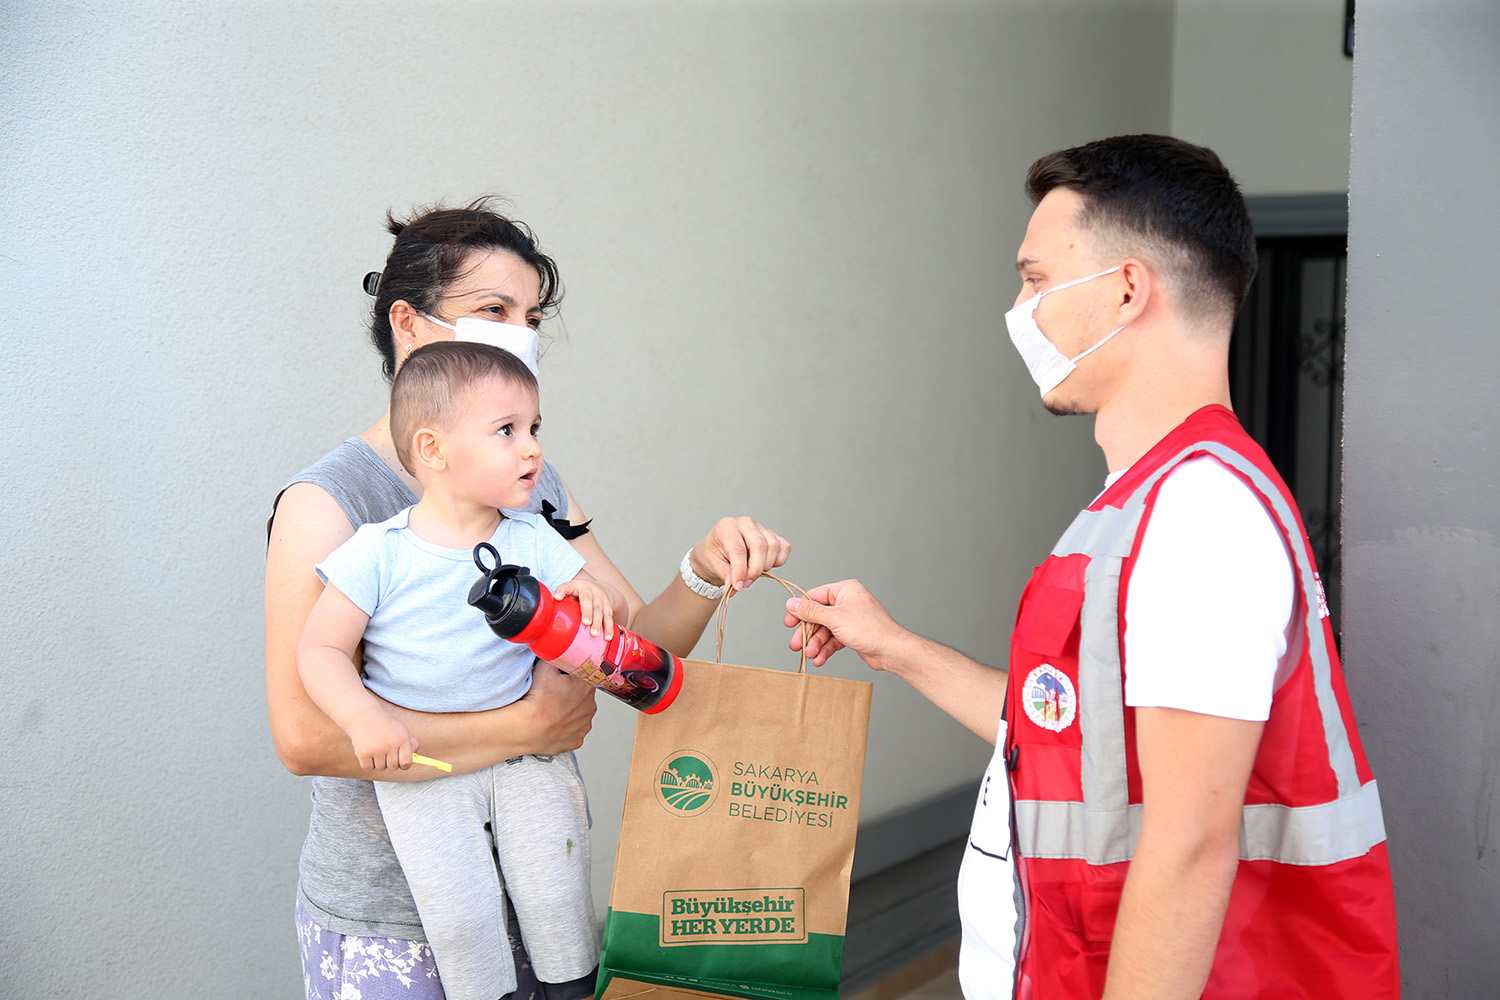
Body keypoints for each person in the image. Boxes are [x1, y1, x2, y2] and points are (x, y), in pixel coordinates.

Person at [783, 135, 1400, 999]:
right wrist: (891, 646)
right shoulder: (1148, 499)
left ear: (1124, 290)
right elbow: (1076, 735)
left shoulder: (1199, 515)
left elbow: (1188, 847)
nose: (1019, 307)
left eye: (1035, 280)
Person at [265, 199, 791, 1000]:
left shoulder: (530, 483)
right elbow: (305, 738)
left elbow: (636, 650)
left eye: (530, 315)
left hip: (530, 901)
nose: (520, 333)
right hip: (391, 925)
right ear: (408, 324)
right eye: (492, 311)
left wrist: (706, 567)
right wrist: (525, 728)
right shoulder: (331, 502)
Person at [298, 341, 626, 1000]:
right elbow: (320, 651)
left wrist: (591, 594)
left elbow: (600, 596)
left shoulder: (530, 534)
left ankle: (573, 989)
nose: (532, 448)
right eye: (508, 430)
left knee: (557, 888)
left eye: (535, 429)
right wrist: (363, 715)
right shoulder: (377, 554)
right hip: (428, 772)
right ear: (434, 450)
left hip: (526, 762)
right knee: (459, 912)